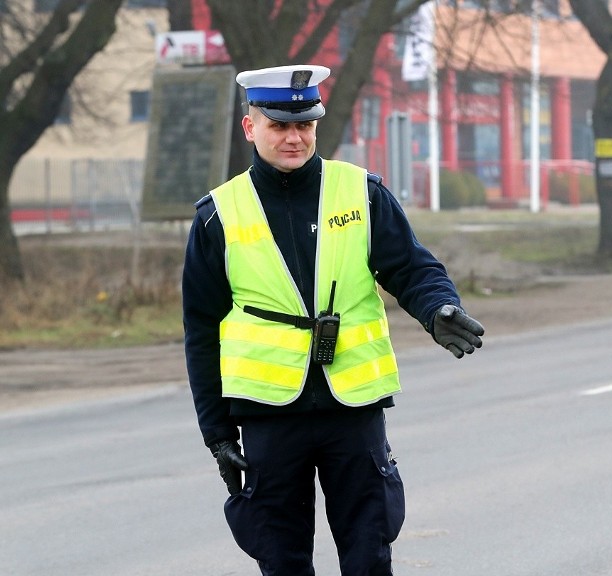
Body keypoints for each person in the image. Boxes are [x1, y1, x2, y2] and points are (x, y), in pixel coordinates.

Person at [182, 64, 485, 576]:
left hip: (353, 408)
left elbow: (411, 267)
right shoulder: (219, 214)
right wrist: (216, 433)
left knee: (369, 557)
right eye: (279, 125)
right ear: (250, 127)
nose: (294, 137)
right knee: (282, 561)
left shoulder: (361, 192)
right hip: (268, 414)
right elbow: (201, 328)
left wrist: (437, 308)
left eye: (305, 124)